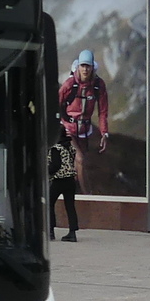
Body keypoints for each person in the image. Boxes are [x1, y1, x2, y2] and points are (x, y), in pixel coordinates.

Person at [59, 49, 108, 194]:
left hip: (85, 131)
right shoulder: (69, 84)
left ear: (93, 67)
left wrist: (104, 133)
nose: (85, 69)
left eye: (88, 66)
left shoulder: (99, 85)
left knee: (83, 164)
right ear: (78, 66)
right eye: (82, 66)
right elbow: (55, 103)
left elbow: (103, 111)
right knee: (80, 159)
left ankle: (73, 194)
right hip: (68, 128)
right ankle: (88, 197)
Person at [49, 133, 79, 243]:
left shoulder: (56, 148)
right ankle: (72, 232)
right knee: (70, 206)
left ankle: (50, 231)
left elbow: (56, 165)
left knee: (49, 203)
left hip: (59, 180)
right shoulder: (71, 148)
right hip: (70, 180)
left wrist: (46, 171)